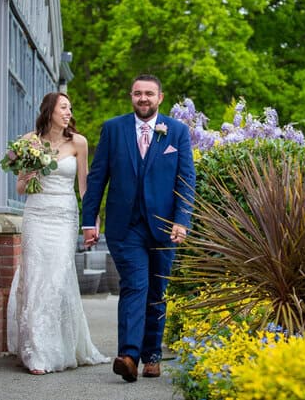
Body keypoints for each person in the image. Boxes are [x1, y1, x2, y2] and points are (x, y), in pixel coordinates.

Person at [81, 74, 196, 382]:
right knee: (135, 285)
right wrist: (88, 221)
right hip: (125, 227)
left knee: (157, 291)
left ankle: (152, 354)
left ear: (159, 98)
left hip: (164, 227)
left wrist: (182, 222)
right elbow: (97, 179)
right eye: (137, 94)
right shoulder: (113, 129)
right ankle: (129, 356)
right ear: (131, 96)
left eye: (149, 94)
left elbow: (186, 182)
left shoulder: (178, 132)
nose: (143, 98)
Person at [7, 92, 110, 375]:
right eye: (63, 107)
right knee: (36, 276)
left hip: (64, 217)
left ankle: (56, 345)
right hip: (36, 215)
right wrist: (31, 172)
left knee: (56, 276)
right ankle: (36, 351)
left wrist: (93, 220)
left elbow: (85, 187)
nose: (68, 112)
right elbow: (19, 188)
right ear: (49, 110)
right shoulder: (29, 142)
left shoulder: (78, 143)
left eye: (70, 108)